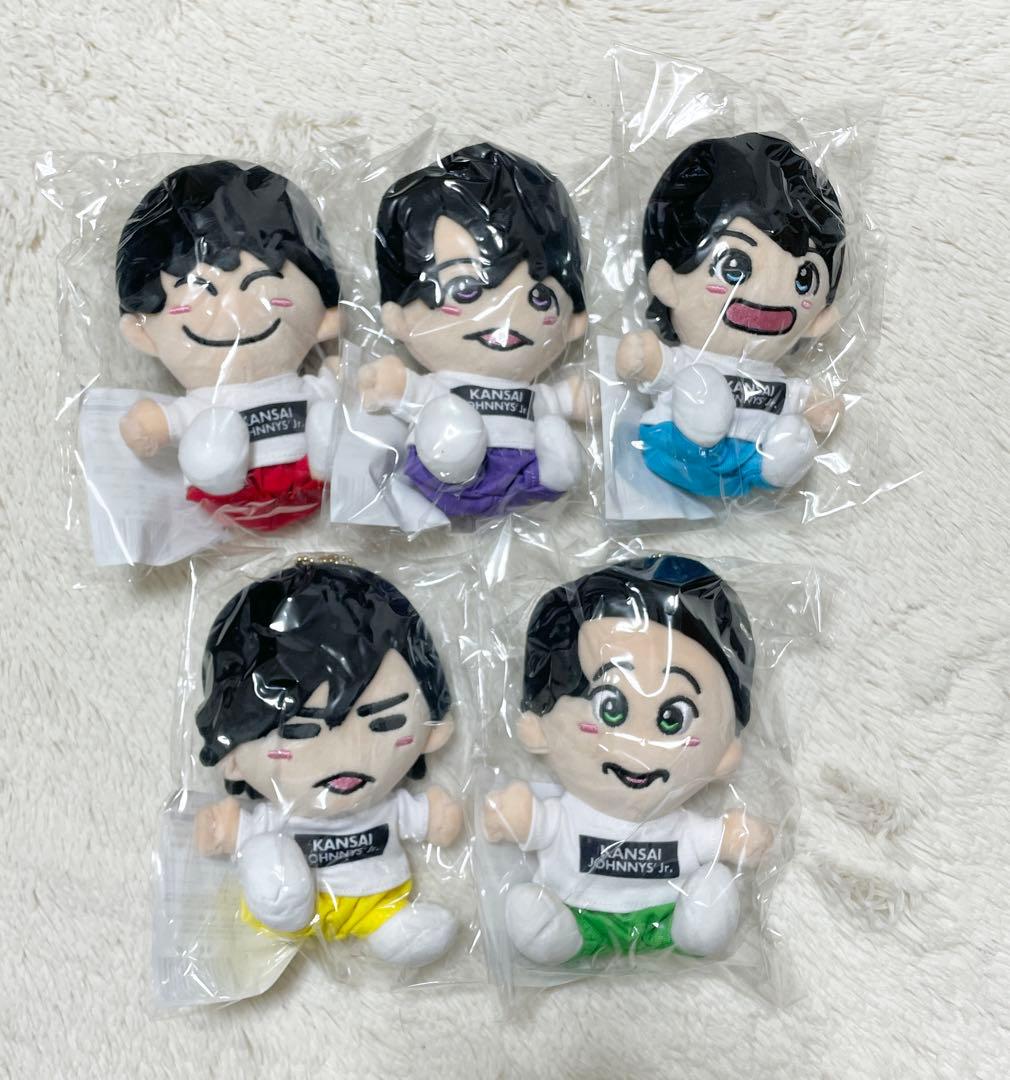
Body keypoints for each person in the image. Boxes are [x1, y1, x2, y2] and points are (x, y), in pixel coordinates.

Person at [484, 555, 772, 964]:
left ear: (724, 754)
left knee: (712, 892)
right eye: (610, 709)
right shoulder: (568, 814)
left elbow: (709, 840)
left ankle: (695, 930)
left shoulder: (678, 824)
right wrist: (520, 818)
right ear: (539, 726)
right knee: (533, 917)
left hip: (666, 916)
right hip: (575, 914)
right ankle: (557, 936)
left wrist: (730, 838)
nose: (639, 746)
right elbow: (542, 825)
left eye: (673, 719)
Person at [193, 560, 462, 969]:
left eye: (385, 722)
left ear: (432, 732)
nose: (347, 754)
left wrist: (434, 817)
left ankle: (394, 932)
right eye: (299, 732)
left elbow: (423, 819)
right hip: (292, 911)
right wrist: (228, 832)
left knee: (403, 929)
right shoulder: (277, 817)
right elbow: (248, 831)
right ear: (232, 757)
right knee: (267, 854)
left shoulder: (387, 806)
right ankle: (282, 908)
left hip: (380, 903)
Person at [359, 142, 591, 517]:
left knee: (550, 429)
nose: (506, 316)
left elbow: (553, 403)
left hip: (526, 476)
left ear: (574, 321)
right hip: (442, 474)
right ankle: (455, 460)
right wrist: (395, 387)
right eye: (465, 289)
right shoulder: (438, 391)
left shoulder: (533, 394)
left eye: (539, 297)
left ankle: (554, 475)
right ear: (398, 317)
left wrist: (571, 399)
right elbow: (414, 395)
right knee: (448, 420)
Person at [616, 133, 847, 498]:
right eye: (734, 266)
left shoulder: (774, 380)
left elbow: (800, 399)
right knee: (702, 386)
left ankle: (776, 466)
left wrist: (817, 407)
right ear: (668, 282)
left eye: (804, 279)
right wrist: (645, 356)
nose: (765, 295)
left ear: (819, 318)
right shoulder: (691, 362)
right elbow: (660, 365)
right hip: (674, 446)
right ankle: (701, 428)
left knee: (789, 440)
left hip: (746, 469)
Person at [116, 161, 342, 530]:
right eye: (201, 291)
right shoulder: (204, 405)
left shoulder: (306, 386)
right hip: (230, 498)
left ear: (326, 316)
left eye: (261, 282)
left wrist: (342, 378)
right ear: (142, 333)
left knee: (328, 417)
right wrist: (155, 425)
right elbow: (174, 421)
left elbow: (338, 389)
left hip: (315, 480)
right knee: (212, 432)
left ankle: (332, 458)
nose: (235, 309)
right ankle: (218, 471)